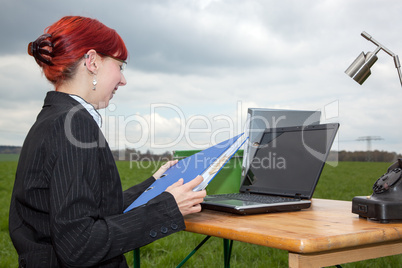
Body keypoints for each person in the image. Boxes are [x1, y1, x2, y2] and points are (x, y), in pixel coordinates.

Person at [9, 16, 206, 268]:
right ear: (92, 61)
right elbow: (78, 245)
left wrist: (154, 185)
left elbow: (90, 212)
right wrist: (168, 208)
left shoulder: (55, 117)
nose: (123, 80)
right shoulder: (73, 125)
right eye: (120, 66)